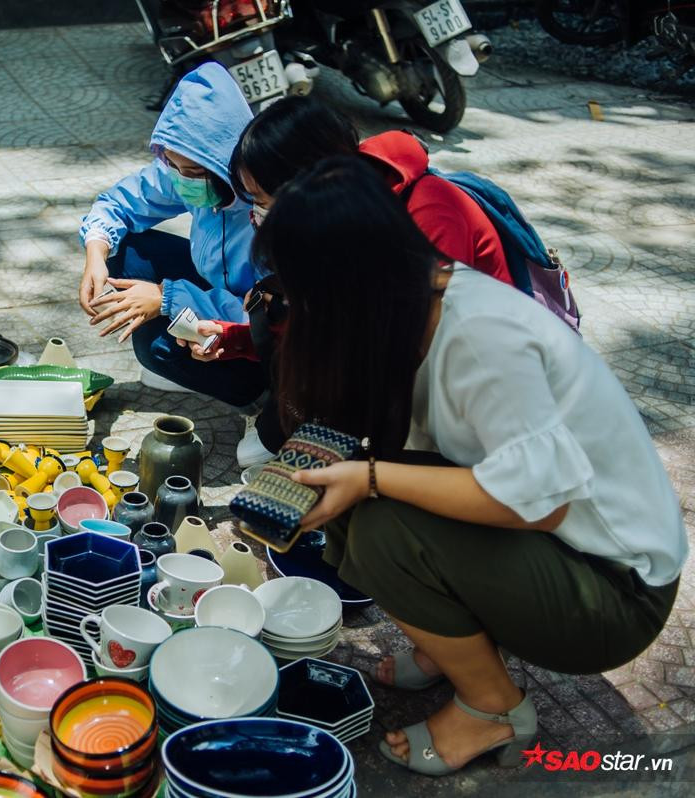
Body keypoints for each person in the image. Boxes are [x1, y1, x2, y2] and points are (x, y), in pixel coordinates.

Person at [254, 156, 685, 775]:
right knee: (353, 493)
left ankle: (494, 708)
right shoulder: (412, 304)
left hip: (616, 592)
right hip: (561, 550)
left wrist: (371, 479)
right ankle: (449, 650)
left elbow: (540, 505)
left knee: (380, 523)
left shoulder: (484, 337)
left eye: (303, 290)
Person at [185, 94, 514, 466]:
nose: (259, 216)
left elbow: (403, 357)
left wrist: (364, 475)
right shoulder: (334, 221)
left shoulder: (429, 215)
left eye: (264, 201)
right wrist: (239, 338)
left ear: (308, 179)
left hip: (468, 413)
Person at [77, 62, 265, 407]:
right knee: (127, 248)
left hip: (259, 328)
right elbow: (118, 203)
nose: (181, 179)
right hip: (218, 291)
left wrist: (166, 297)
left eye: (193, 171)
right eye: (175, 167)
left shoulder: (265, 205)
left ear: (229, 161)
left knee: (159, 351)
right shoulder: (184, 172)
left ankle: (259, 397)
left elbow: (268, 315)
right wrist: (95, 253)